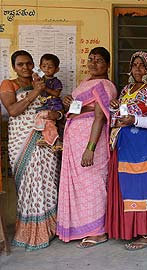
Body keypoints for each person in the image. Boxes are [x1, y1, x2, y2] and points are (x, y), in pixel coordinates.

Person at [105, 51, 147, 250]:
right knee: (128, 188)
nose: (138, 69)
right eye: (135, 65)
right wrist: (115, 108)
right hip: (125, 146)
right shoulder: (125, 90)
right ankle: (131, 230)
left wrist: (135, 120)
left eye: (142, 66)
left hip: (145, 147)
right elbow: (119, 118)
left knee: (144, 187)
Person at [0, 50, 62, 251]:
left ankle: (50, 229)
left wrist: (57, 113)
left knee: (48, 181)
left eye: (28, 63)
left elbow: (55, 104)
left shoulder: (43, 81)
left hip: (44, 139)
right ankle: (30, 232)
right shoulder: (8, 84)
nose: (25, 67)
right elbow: (13, 110)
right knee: (29, 184)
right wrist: (35, 92)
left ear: (33, 64)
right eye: (20, 64)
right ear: (14, 67)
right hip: (21, 141)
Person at [56, 47, 117, 248]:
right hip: (74, 142)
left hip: (92, 142)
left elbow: (99, 116)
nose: (93, 63)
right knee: (78, 187)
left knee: (93, 185)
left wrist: (90, 147)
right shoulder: (84, 83)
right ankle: (81, 227)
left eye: (99, 60)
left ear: (107, 65)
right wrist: (69, 103)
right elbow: (78, 108)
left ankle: (98, 232)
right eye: (90, 59)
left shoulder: (105, 85)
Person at [33, 53, 64, 151]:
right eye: (44, 66)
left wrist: (45, 88)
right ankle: (49, 138)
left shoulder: (56, 82)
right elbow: (34, 88)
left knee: (52, 122)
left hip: (54, 104)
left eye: (50, 67)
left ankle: (57, 140)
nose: (46, 69)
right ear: (40, 67)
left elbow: (56, 94)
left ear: (56, 69)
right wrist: (35, 79)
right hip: (45, 104)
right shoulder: (40, 79)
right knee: (45, 121)